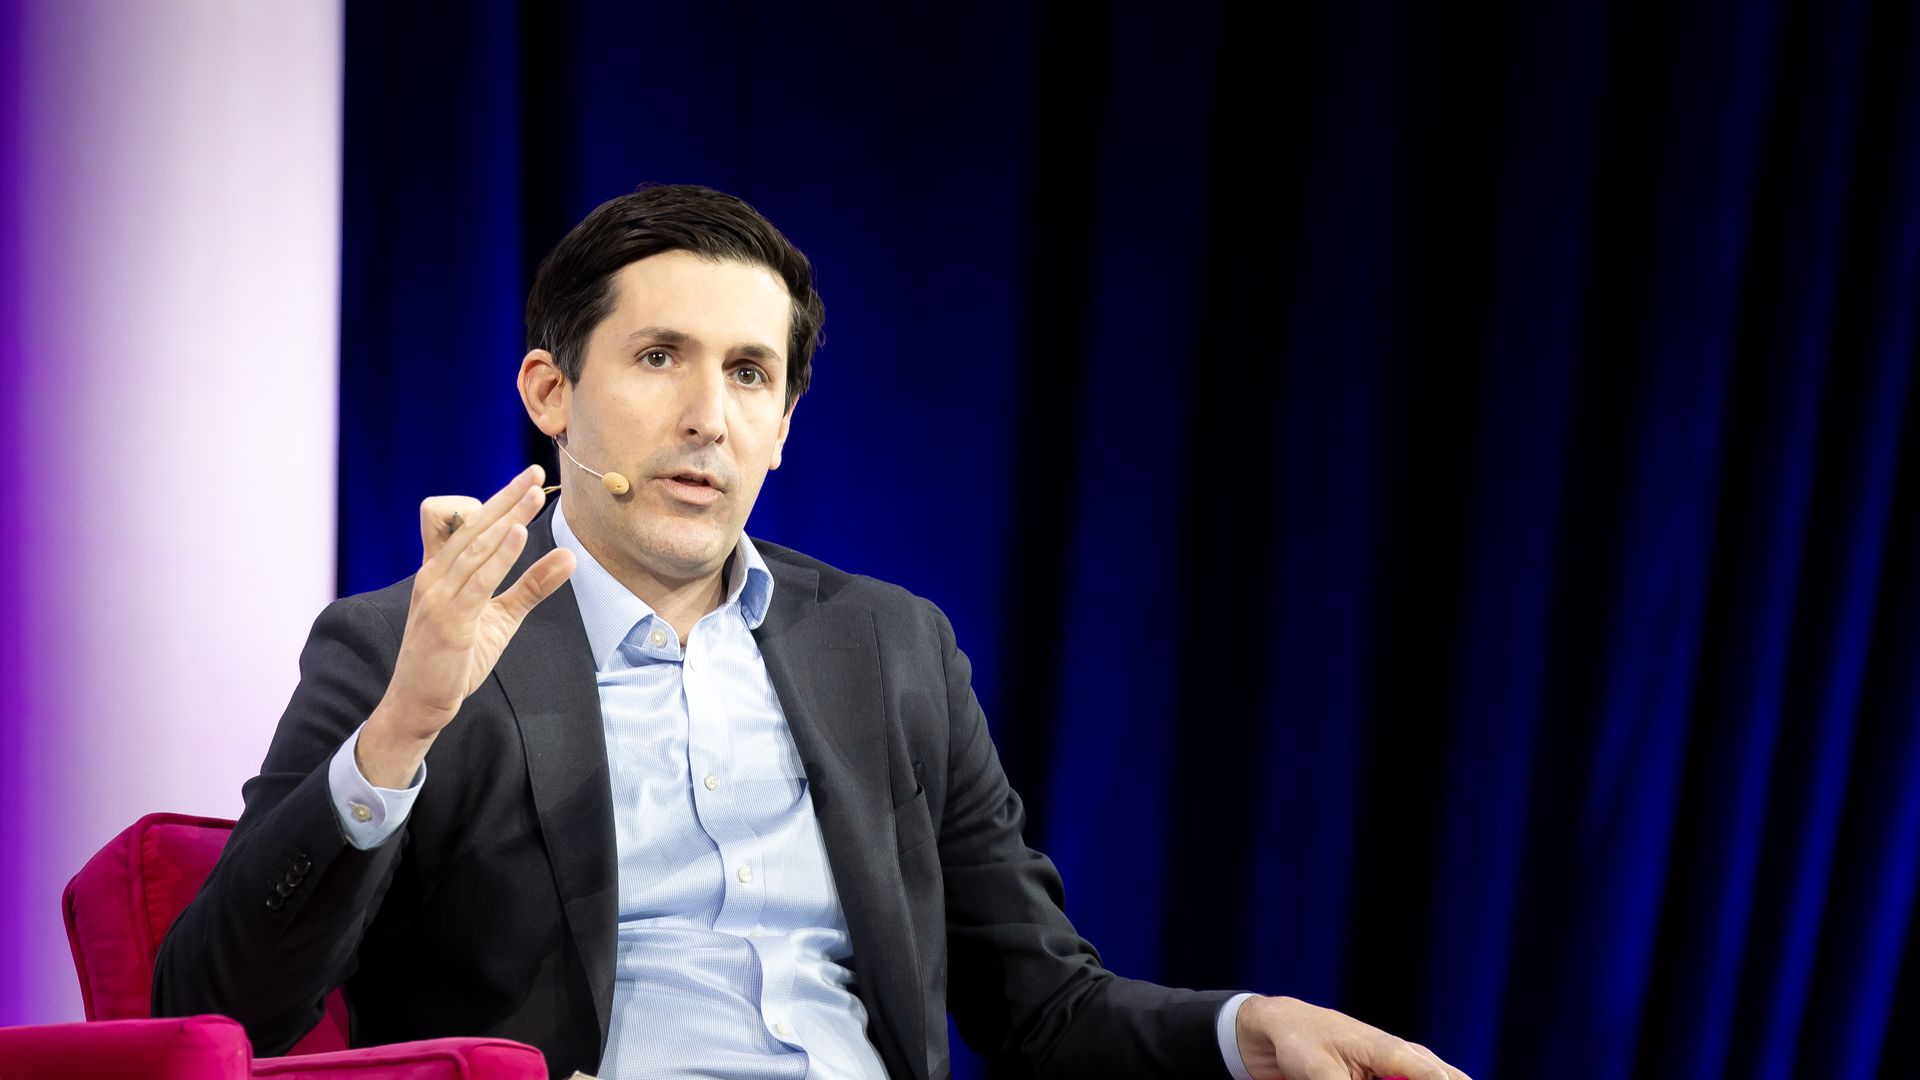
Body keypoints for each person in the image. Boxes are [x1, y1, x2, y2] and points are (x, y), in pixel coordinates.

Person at [154, 184, 1469, 1080]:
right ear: (554, 392)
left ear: (782, 429)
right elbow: (216, 1013)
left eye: (749, 375)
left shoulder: (890, 651)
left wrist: (1249, 1031)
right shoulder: (405, 642)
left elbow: (1045, 1010)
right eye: (659, 356)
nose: (708, 417)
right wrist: (407, 729)